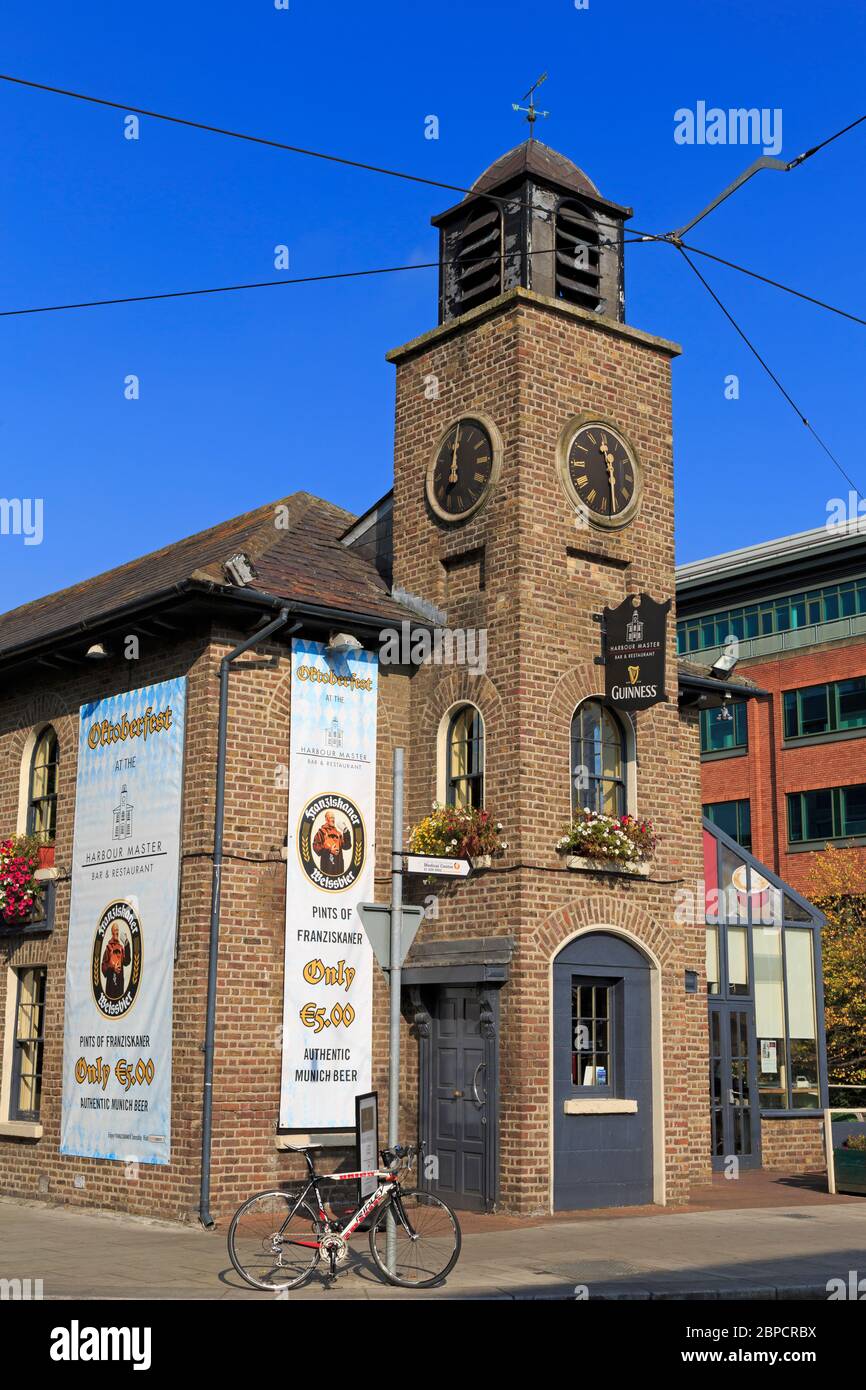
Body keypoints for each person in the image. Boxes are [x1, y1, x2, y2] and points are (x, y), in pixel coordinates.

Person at [312, 810, 351, 876]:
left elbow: (347, 846)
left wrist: (346, 832)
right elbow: (316, 848)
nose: (333, 820)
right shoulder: (321, 832)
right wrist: (329, 849)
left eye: (334, 818)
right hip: (327, 867)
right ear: (326, 819)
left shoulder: (338, 834)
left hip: (339, 867)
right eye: (331, 818)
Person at [101, 921, 131, 999]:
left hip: (120, 983)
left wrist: (127, 944)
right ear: (112, 932)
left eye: (117, 930)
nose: (117, 932)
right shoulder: (108, 948)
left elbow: (127, 961)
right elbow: (103, 967)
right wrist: (112, 968)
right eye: (115, 930)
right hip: (111, 984)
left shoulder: (121, 948)